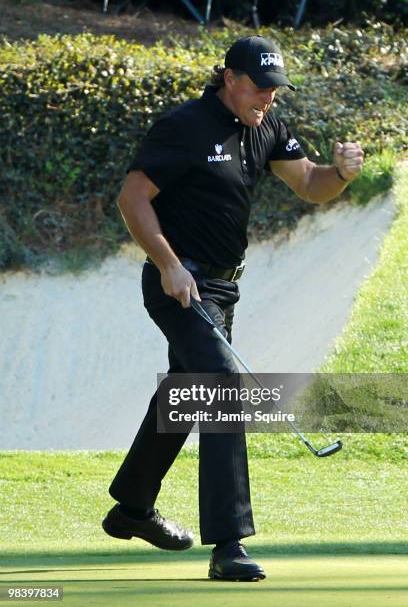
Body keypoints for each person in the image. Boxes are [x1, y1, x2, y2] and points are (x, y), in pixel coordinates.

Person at [102, 35, 364, 581]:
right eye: (260, 87)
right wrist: (169, 264)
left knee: (188, 390)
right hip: (179, 283)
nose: (268, 98)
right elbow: (132, 198)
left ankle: (132, 507)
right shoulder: (184, 127)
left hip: (222, 290)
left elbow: (310, 184)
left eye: (275, 89)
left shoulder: (267, 126)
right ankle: (229, 545)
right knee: (222, 386)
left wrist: (339, 173)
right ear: (230, 78)